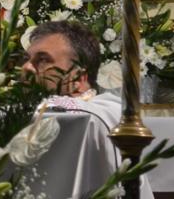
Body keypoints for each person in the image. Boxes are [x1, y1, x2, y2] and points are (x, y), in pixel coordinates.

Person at [23, 21, 153, 199]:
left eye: (43, 60)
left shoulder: (102, 113)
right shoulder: (21, 112)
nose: (26, 68)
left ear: (78, 76)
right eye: (27, 59)